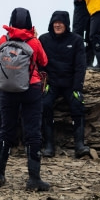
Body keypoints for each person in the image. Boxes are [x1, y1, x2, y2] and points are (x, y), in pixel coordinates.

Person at [0, 7, 50, 192]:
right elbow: (44, 61)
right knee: (33, 133)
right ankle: (34, 179)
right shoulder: (33, 41)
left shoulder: (4, 39)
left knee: (5, 130)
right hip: (30, 88)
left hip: (6, 90)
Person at [39, 10, 90, 159]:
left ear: (66, 24)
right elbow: (40, 63)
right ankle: (49, 146)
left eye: (61, 22)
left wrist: (77, 88)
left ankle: (79, 145)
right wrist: (44, 82)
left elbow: (80, 66)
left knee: (78, 105)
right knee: (44, 104)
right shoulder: (44, 39)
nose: (58, 25)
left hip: (70, 84)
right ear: (51, 23)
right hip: (52, 83)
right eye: (55, 22)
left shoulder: (76, 40)